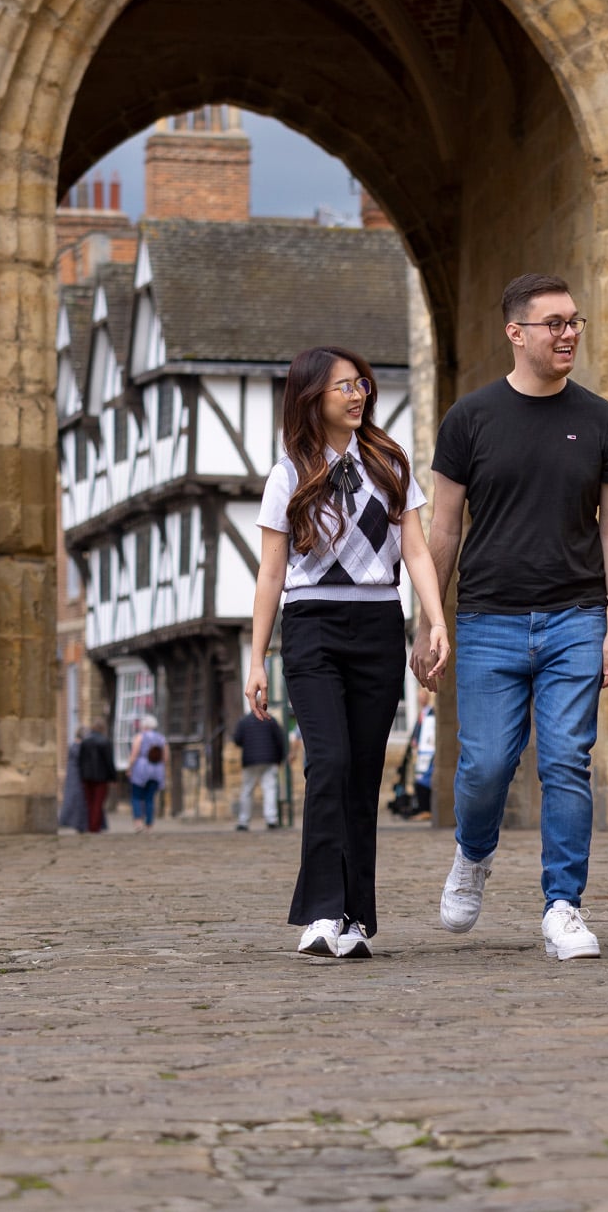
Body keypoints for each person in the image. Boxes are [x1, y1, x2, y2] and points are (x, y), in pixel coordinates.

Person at [422, 273, 608, 962]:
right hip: (489, 617)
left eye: (574, 321)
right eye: (554, 322)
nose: (569, 332)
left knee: (566, 761)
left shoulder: (603, 420)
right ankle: (473, 853)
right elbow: (444, 525)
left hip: (576, 615)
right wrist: (429, 619)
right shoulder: (471, 419)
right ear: (516, 332)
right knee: (486, 764)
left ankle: (562, 905)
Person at [246, 346, 451, 959]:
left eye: (361, 383)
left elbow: (415, 550)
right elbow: (271, 572)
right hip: (311, 626)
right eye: (342, 387)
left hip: (378, 624)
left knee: (363, 776)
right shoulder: (288, 473)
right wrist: (257, 659)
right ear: (312, 397)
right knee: (328, 764)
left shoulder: (390, 463)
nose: (357, 394)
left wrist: (436, 622)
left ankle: (357, 919)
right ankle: (320, 912)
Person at [232, 706, 286, 832]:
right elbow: (280, 740)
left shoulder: (244, 721)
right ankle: (271, 819)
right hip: (269, 759)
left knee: (247, 790)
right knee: (270, 789)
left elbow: (237, 740)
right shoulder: (270, 720)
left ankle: (243, 821)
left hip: (250, 760)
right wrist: (279, 759)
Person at [126, 713, 166, 829]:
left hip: (141, 769)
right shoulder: (161, 738)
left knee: (136, 796)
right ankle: (149, 824)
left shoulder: (140, 737)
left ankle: (138, 821)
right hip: (156, 770)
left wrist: (129, 767)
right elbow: (165, 757)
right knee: (150, 798)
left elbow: (134, 754)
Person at [72, 727, 115, 834]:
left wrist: (82, 774)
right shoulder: (105, 741)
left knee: (90, 802)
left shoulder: (85, 742)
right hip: (101, 777)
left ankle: (90, 824)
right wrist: (113, 777)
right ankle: (94, 826)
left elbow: (81, 760)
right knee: (98, 802)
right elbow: (109, 761)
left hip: (87, 777)